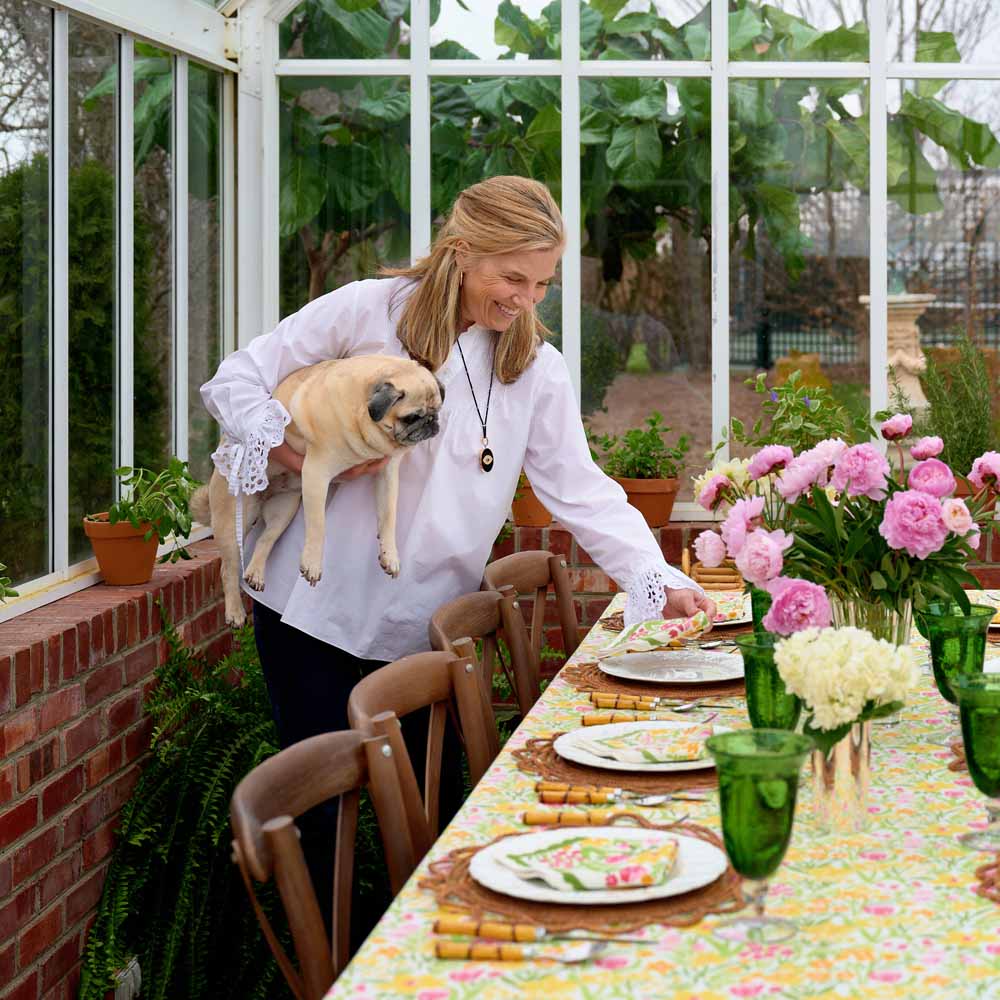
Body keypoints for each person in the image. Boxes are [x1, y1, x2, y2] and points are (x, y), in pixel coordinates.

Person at [200, 175, 715, 926]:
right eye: (512, 277)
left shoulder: (535, 366)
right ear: (462, 251)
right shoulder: (366, 311)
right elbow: (237, 377)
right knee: (320, 834)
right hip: (312, 614)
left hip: (428, 632)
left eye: (542, 282)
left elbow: (581, 488)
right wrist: (286, 445)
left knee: (436, 831)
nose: (525, 299)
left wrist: (651, 573)